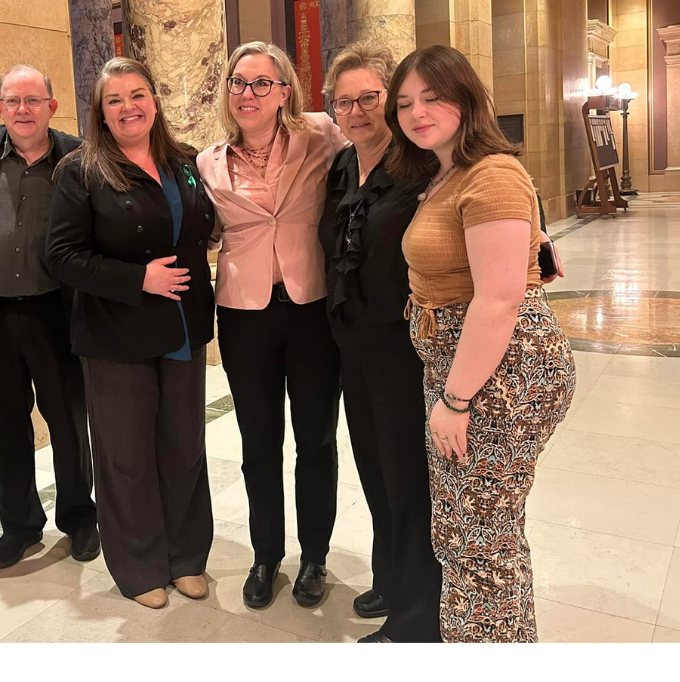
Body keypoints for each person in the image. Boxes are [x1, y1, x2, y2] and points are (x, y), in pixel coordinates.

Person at [389, 44, 575, 643]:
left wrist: (456, 399)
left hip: (500, 376)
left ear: (466, 99)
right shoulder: (447, 172)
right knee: (468, 532)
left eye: (432, 98)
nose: (417, 113)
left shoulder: (491, 172)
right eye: (405, 103)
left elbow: (498, 301)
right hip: (466, 369)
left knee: (480, 539)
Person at [46, 57, 217, 609]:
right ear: (100, 112)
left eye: (137, 94)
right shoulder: (80, 171)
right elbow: (61, 256)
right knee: (126, 455)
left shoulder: (184, 160)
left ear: (155, 101)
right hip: (115, 334)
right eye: (114, 100)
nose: (128, 108)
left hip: (183, 326)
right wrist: (138, 278)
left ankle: (186, 557)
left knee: (184, 446)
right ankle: (140, 565)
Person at [198, 41, 346, 610]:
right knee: (258, 442)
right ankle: (266, 555)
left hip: (311, 308)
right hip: (244, 315)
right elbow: (202, 230)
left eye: (262, 83)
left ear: (285, 91)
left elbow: (382, 160)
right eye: (239, 82)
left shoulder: (322, 134)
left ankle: (315, 556)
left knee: (316, 440)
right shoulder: (209, 161)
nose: (249, 93)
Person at [0, 64, 97, 569]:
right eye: (12, 100)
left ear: (52, 107)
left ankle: (79, 518)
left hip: (56, 311)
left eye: (33, 100)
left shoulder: (79, 156)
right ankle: (20, 525)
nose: (22, 109)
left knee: (69, 424)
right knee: (5, 427)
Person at [318, 43, 441, 642]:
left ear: (391, 101)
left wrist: (539, 240)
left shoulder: (425, 164)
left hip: (403, 347)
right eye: (344, 102)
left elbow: (496, 201)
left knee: (407, 478)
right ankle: (392, 579)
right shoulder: (342, 166)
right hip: (353, 346)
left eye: (369, 97)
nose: (357, 111)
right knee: (374, 470)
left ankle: (418, 617)